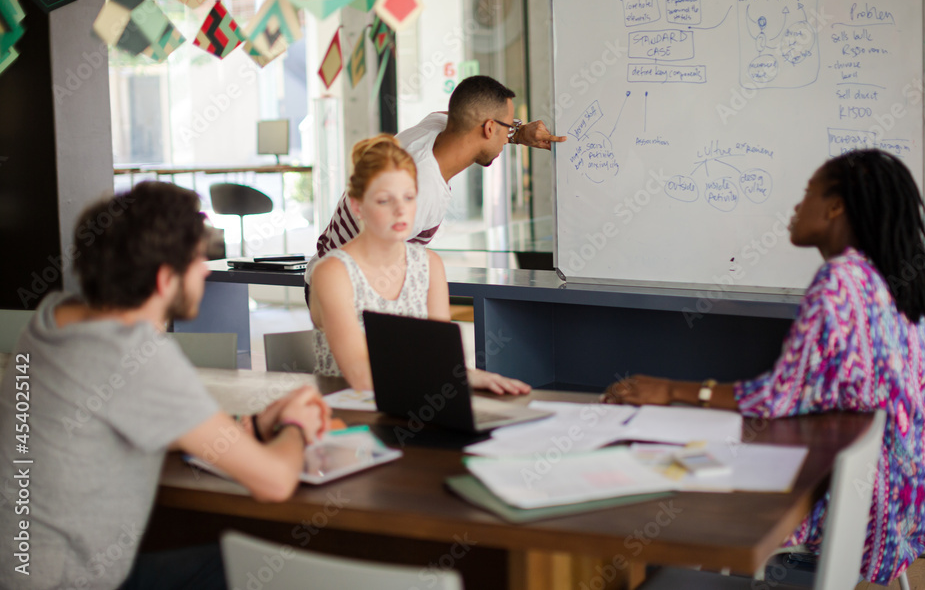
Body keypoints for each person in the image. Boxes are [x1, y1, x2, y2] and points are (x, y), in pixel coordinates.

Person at [602, 150, 925, 585]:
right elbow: (818, 391)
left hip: (859, 512)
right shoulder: (888, 278)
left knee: (675, 496)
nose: (797, 207)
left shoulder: (840, 281)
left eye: (807, 194)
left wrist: (668, 390)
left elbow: (778, 397)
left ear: (836, 206)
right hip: (906, 501)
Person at [0, 182, 330, 590]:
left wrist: (255, 425)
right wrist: (295, 424)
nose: (205, 269)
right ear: (163, 280)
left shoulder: (52, 318)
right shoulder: (132, 354)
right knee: (261, 565)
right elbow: (275, 481)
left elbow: (124, 416)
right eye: (196, 260)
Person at [304, 75, 565, 300]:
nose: (508, 136)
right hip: (342, 294)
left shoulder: (432, 128)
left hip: (329, 275)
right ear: (488, 128)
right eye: (508, 127)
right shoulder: (419, 189)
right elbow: (370, 271)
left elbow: (454, 114)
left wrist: (518, 133)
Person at [309, 134, 530, 395]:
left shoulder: (429, 264)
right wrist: (446, 373)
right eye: (384, 200)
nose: (400, 210)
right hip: (351, 418)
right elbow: (362, 377)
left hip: (416, 405)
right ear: (357, 206)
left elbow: (439, 354)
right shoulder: (332, 272)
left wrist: (465, 374)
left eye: (409, 197)